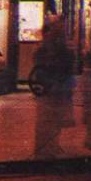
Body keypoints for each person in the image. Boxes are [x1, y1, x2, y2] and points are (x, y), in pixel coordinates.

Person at [32, 17, 74, 158]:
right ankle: (46, 147)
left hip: (53, 87)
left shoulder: (55, 50)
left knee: (52, 118)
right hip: (50, 87)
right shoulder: (46, 50)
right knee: (48, 118)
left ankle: (50, 146)